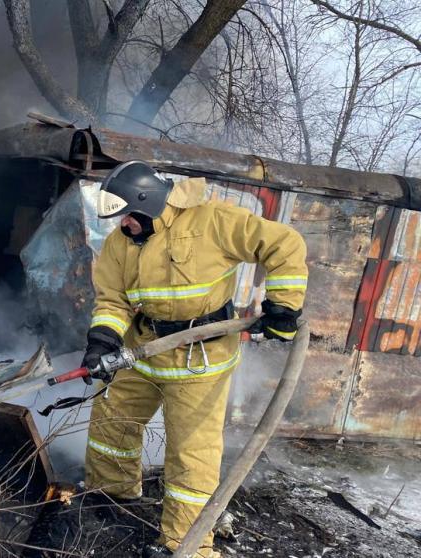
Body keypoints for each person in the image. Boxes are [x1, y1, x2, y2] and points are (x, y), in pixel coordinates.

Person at [82, 161, 307, 557]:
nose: (121, 225)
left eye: (127, 217)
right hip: (140, 350)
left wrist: (283, 308)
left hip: (198, 360)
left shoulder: (213, 221)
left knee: (191, 455)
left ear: (146, 204)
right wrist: (102, 341)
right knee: (110, 424)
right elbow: (113, 300)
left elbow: (284, 243)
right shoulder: (120, 245)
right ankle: (111, 500)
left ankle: (185, 544)